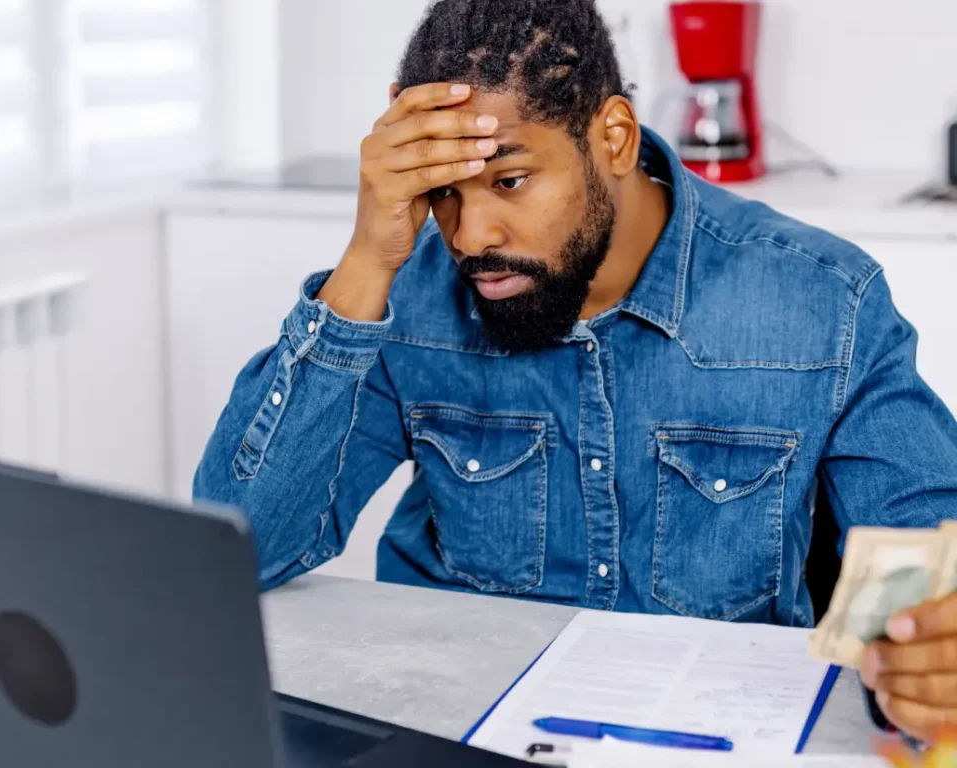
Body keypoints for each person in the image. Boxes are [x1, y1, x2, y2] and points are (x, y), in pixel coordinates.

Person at [195, 0, 957, 741]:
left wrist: (928, 665)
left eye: (509, 180)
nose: (471, 235)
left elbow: (932, 563)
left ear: (614, 138)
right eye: (443, 193)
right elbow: (245, 549)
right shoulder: (410, 292)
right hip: (448, 731)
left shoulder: (823, 299)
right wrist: (366, 262)